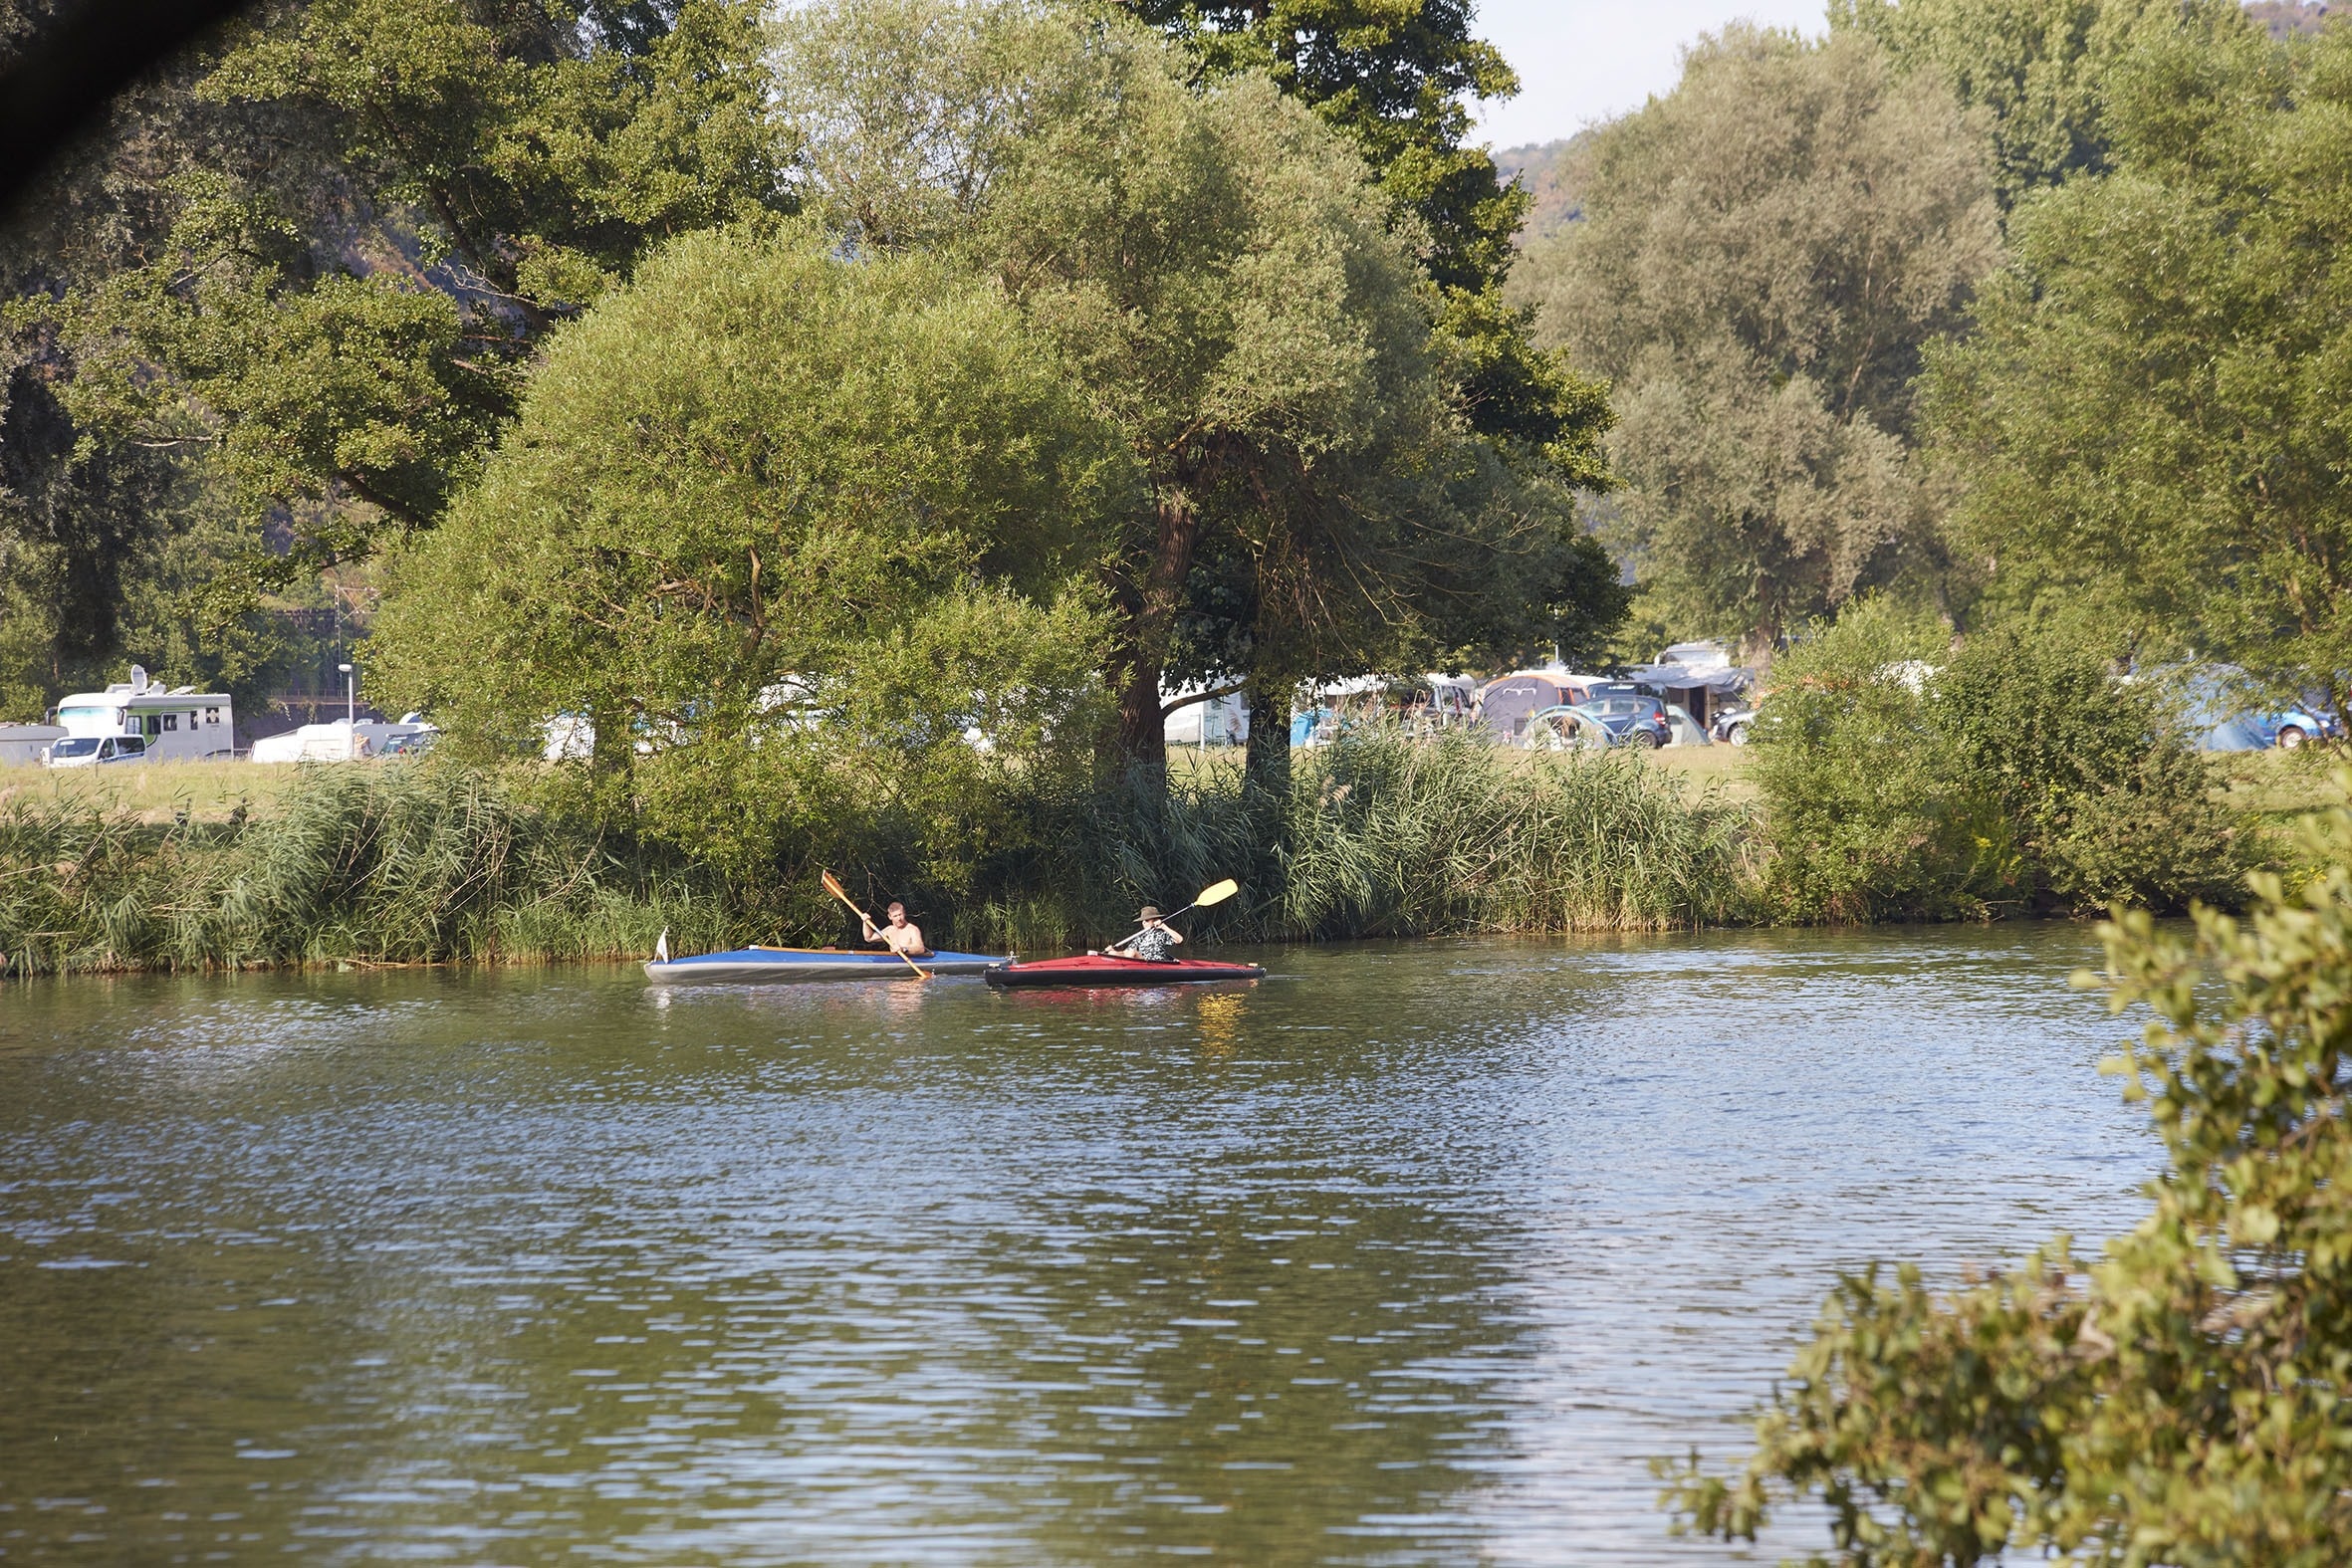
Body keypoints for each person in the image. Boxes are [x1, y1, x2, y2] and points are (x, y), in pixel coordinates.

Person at [1105, 904, 1184, 963]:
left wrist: (1163, 926)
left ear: (1155, 920)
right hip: (1140, 961)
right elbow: (1126, 952)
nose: (1143, 923)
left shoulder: (1161, 933)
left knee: (1133, 952)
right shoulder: (1140, 936)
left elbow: (1179, 940)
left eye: (1146, 920)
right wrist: (1114, 951)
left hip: (1155, 962)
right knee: (1113, 953)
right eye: (1143, 921)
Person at [862, 901, 928, 957]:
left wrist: (903, 949)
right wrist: (865, 922)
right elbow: (869, 938)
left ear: (904, 913)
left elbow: (920, 948)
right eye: (895, 916)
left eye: (900, 914)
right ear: (890, 917)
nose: (899, 918)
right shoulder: (889, 930)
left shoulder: (912, 929)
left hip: (911, 960)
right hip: (895, 960)